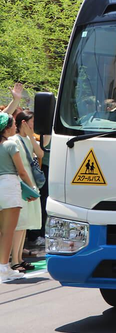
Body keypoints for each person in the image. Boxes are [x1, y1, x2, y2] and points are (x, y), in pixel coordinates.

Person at [0, 112, 35, 282]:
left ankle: (3, 267)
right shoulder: (10, 145)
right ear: (6, 128)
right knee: (8, 231)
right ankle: (4, 268)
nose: (15, 126)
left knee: (1, 231)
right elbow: (21, 171)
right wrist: (32, 188)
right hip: (9, 186)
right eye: (13, 124)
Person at [9, 111, 42, 272]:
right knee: (20, 223)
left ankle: (19, 259)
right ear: (23, 123)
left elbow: (41, 153)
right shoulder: (14, 140)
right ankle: (14, 260)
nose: (33, 125)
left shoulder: (27, 139)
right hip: (22, 183)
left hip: (29, 181)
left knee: (25, 223)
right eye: (31, 122)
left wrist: (30, 136)